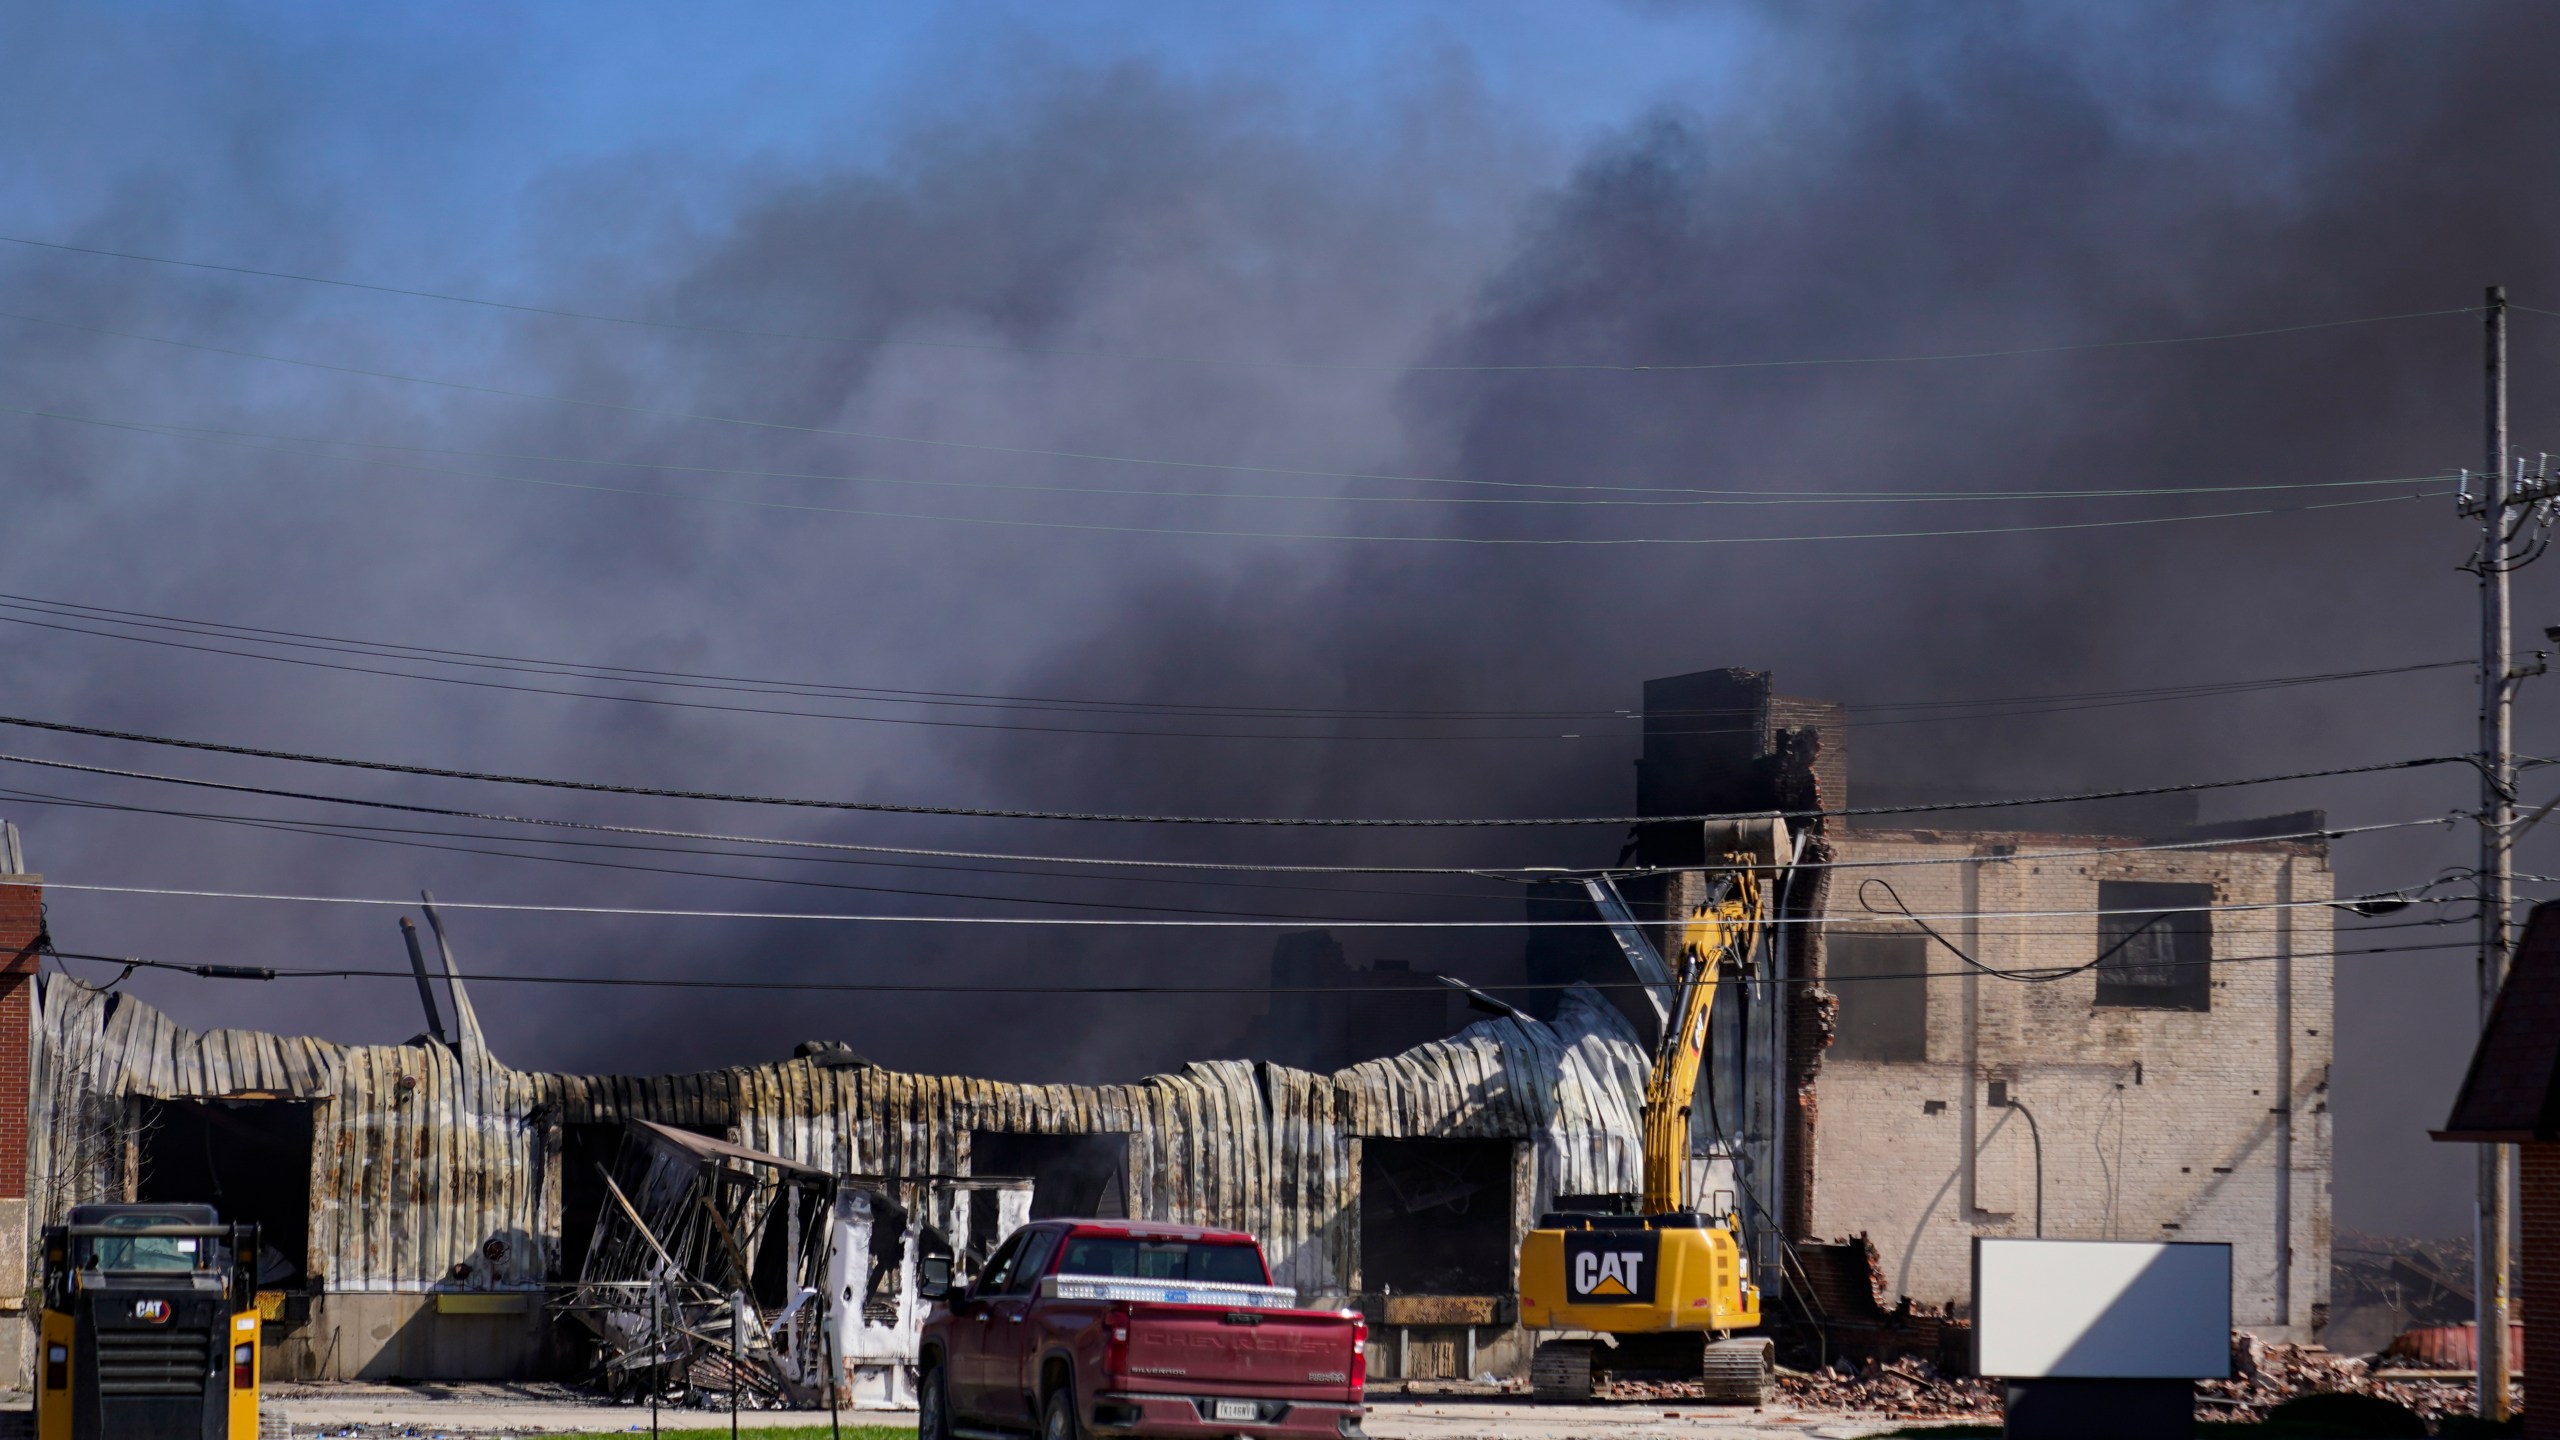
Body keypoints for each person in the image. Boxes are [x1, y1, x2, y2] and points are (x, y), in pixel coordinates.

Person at [862, 1189, 910, 1304]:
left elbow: (878, 1272)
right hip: (883, 1221)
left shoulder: (886, 1256)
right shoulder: (884, 1255)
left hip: (884, 1220)